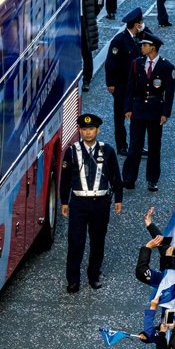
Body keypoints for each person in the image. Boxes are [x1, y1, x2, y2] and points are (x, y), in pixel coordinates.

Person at [59, 112, 123, 293]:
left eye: (91, 129)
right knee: (76, 242)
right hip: (78, 202)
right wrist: (64, 201)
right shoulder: (71, 151)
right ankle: (73, 280)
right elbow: (65, 179)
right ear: (80, 131)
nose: (88, 133)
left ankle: (94, 276)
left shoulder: (107, 150)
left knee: (97, 241)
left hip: (100, 203)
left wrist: (119, 198)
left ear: (98, 130)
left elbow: (115, 176)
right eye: (84, 129)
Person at [121, 33, 175, 193]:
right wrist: (128, 108)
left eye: (144, 45)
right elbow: (130, 87)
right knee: (135, 145)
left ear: (153, 47)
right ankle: (129, 178)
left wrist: (165, 113)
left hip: (155, 110)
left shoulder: (166, 67)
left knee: (154, 146)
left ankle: (152, 179)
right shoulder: (136, 63)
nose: (141, 47)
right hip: (138, 109)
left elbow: (169, 92)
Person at [105, 7, 145, 154]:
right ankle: (122, 145)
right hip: (122, 85)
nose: (143, 24)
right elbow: (110, 63)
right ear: (136, 24)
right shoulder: (119, 41)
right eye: (141, 22)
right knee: (120, 117)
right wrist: (110, 83)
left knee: (138, 116)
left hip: (136, 85)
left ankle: (137, 145)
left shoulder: (140, 38)